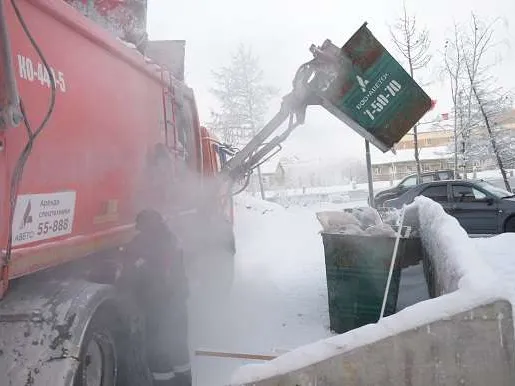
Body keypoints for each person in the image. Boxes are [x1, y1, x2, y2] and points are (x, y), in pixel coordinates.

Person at [122, 210, 191, 386]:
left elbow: (130, 274)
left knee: (157, 354)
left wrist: (121, 282)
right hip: (177, 305)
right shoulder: (172, 239)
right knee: (179, 352)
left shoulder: (144, 244)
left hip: (158, 308)